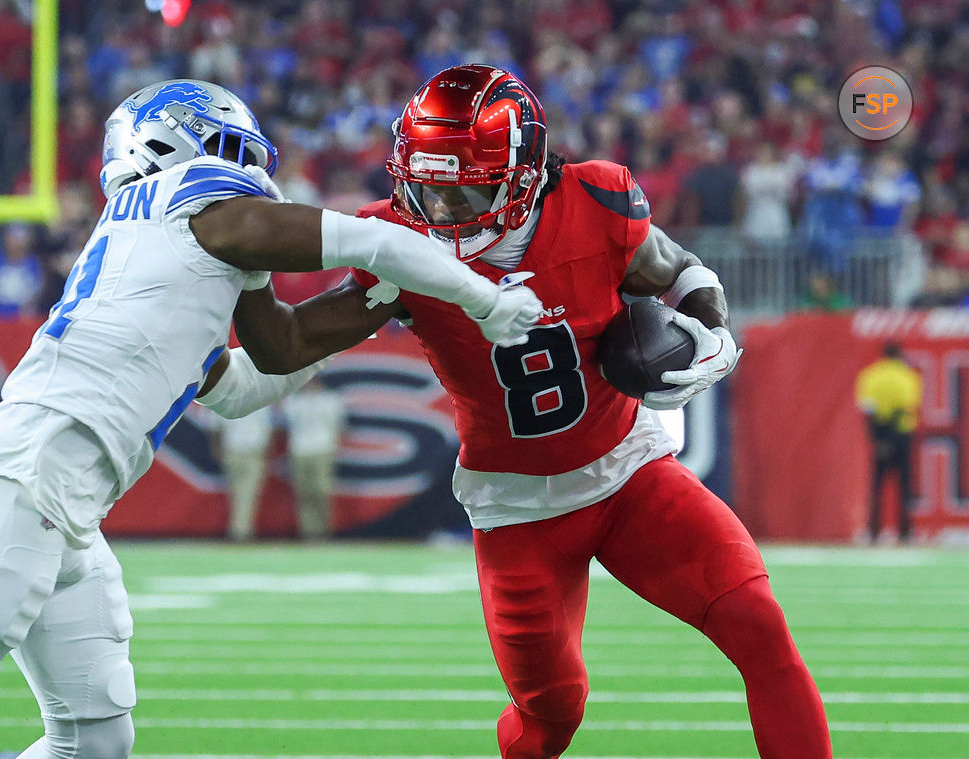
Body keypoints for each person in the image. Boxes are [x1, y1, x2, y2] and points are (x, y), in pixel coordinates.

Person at [0, 79, 542, 759]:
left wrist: (377, 303)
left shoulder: (166, 253)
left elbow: (260, 366)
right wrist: (485, 297)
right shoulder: (194, 201)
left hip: (58, 491)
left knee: (94, 735)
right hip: (30, 475)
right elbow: (369, 238)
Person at [228, 65, 832, 759]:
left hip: (630, 474)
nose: (442, 210)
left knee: (757, 620)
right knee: (551, 717)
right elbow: (284, 346)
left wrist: (712, 334)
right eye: (427, 188)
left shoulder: (598, 201)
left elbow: (681, 271)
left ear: (522, 175)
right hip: (517, 510)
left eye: (463, 189)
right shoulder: (398, 246)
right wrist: (245, 271)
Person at [854, 342, 923, 544]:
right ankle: (905, 532)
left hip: (878, 435)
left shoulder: (871, 375)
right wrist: (892, 438)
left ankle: (873, 532)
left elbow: (867, 410)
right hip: (901, 435)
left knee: (876, 485)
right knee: (904, 485)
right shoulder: (907, 376)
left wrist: (878, 440)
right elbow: (905, 408)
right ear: (899, 355)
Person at [282, 374, 345, 539]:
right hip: (299, 450)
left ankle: (325, 530)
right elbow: (286, 425)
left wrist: (334, 448)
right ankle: (309, 532)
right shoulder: (294, 401)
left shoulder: (330, 400)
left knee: (321, 491)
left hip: (323, 449)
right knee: (304, 493)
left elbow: (338, 427)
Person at [217, 405, 274, 541]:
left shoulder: (226, 399)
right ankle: (242, 532)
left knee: (240, 494)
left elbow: (215, 429)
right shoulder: (260, 400)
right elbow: (268, 428)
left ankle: (239, 530)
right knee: (246, 493)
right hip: (246, 451)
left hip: (238, 450)